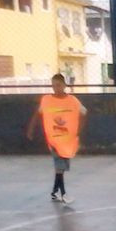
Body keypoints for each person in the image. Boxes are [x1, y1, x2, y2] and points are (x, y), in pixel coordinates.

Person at [26, 73, 88, 205]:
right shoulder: (47, 100)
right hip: (54, 139)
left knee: (61, 168)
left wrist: (77, 131)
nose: (55, 88)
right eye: (53, 85)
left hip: (67, 140)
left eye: (58, 85)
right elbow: (37, 114)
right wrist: (31, 129)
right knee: (59, 167)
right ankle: (63, 194)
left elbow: (84, 112)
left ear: (64, 85)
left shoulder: (72, 101)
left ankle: (54, 193)